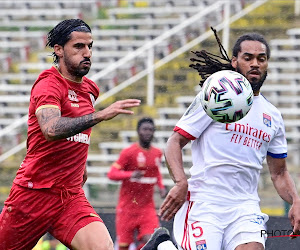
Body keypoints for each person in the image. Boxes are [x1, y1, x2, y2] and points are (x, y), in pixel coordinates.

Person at [145, 28, 300, 250]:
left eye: (261, 58)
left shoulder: (272, 115)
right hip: (205, 203)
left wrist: (296, 200)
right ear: (235, 62)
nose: (255, 63)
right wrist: (181, 182)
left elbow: (279, 172)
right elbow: (175, 141)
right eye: (248, 58)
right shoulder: (215, 98)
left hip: (245, 207)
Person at [0, 19, 141, 250]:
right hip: (34, 194)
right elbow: (51, 129)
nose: (87, 53)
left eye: (90, 46)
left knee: (102, 247)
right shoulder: (48, 84)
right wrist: (100, 116)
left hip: (70, 196)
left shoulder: (90, 90)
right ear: (58, 49)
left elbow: (77, 136)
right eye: (78, 47)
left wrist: (79, 166)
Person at [107, 117, 167, 250]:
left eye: (151, 130)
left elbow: (156, 172)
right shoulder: (129, 152)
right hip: (127, 209)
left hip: (147, 208)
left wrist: (161, 187)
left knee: (152, 240)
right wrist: (130, 174)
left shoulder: (157, 153)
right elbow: (111, 174)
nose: (148, 132)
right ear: (138, 131)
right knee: (123, 246)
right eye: (145, 129)